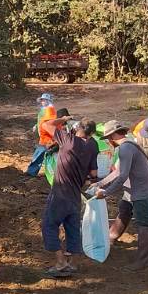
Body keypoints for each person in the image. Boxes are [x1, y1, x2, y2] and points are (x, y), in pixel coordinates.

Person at [93, 119, 148, 268]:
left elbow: (122, 176)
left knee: (143, 223)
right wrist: (100, 183)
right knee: (124, 210)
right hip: (133, 188)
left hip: (141, 190)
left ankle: (143, 260)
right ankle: (111, 238)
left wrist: (106, 192)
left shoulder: (125, 148)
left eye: (109, 137)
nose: (108, 141)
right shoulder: (127, 146)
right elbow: (118, 171)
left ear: (114, 135)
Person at [43, 117, 100, 277]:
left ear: (78, 128)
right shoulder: (93, 145)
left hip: (60, 192)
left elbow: (46, 125)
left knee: (49, 224)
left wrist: (62, 119)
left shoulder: (68, 140)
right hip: (76, 194)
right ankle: (73, 264)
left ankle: (60, 262)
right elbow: (94, 173)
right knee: (73, 227)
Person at [25, 93, 57, 177]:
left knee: (39, 154)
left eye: (44, 100)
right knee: (44, 154)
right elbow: (42, 120)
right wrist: (36, 125)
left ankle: (31, 172)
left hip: (47, 138)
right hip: (44, 136)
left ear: (49, 101)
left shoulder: (50, 110)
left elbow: (50, 123)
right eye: (42, 100)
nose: (42, 101)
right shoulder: (44, 109)